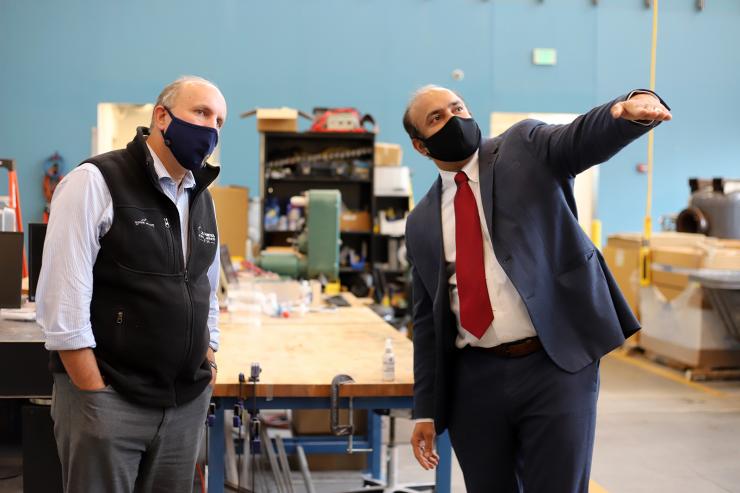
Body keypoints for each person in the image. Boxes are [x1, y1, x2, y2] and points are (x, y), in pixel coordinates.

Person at [402, 85, 671, 492]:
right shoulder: (421, 221)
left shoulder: (523, 147)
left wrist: (624, 112)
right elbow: (427, 321)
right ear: (421, 146)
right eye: (437, 118)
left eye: (457, 108)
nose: (454, 119)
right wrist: (425, 410)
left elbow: (579, 138)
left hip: (554, 365)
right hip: (473, 382)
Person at [37, 75, 226, 493]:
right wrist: (94, 392)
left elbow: (205, 289)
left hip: (182, 406)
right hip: (110, 401)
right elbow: (61, 302)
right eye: (201, 112)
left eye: (219, 121)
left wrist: (208, 357)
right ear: (162, 116)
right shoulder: (95, 182)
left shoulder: (202, 198)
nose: (211, 127)